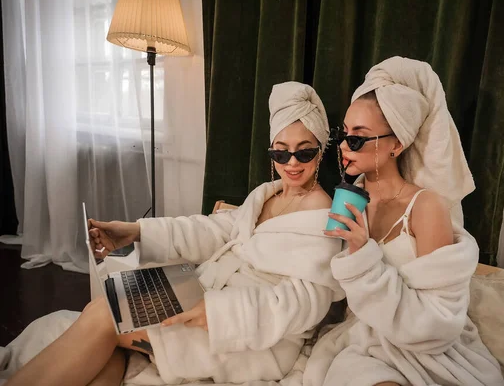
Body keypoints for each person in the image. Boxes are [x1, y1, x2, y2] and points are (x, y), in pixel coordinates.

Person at [5, 82, 344, 386]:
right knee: (114, 322)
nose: (292, 163)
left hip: (248, 337)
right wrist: (135, 232)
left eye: (305, 151)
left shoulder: (324, 218)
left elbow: (305, 304)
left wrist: (220, 312)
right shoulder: (268, 194)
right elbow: (213, 229)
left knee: (105, 315)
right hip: (203, 293)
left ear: (321, 151)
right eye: (281, 152)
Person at [305, 57, 504, 386]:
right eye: (343, 134)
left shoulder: (426, 207)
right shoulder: (351, 197)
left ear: (397, 143)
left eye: (357, 138)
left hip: (425, 347)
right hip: (365, 340)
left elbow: (439, 322)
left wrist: (361, 253)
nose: (342, 146)